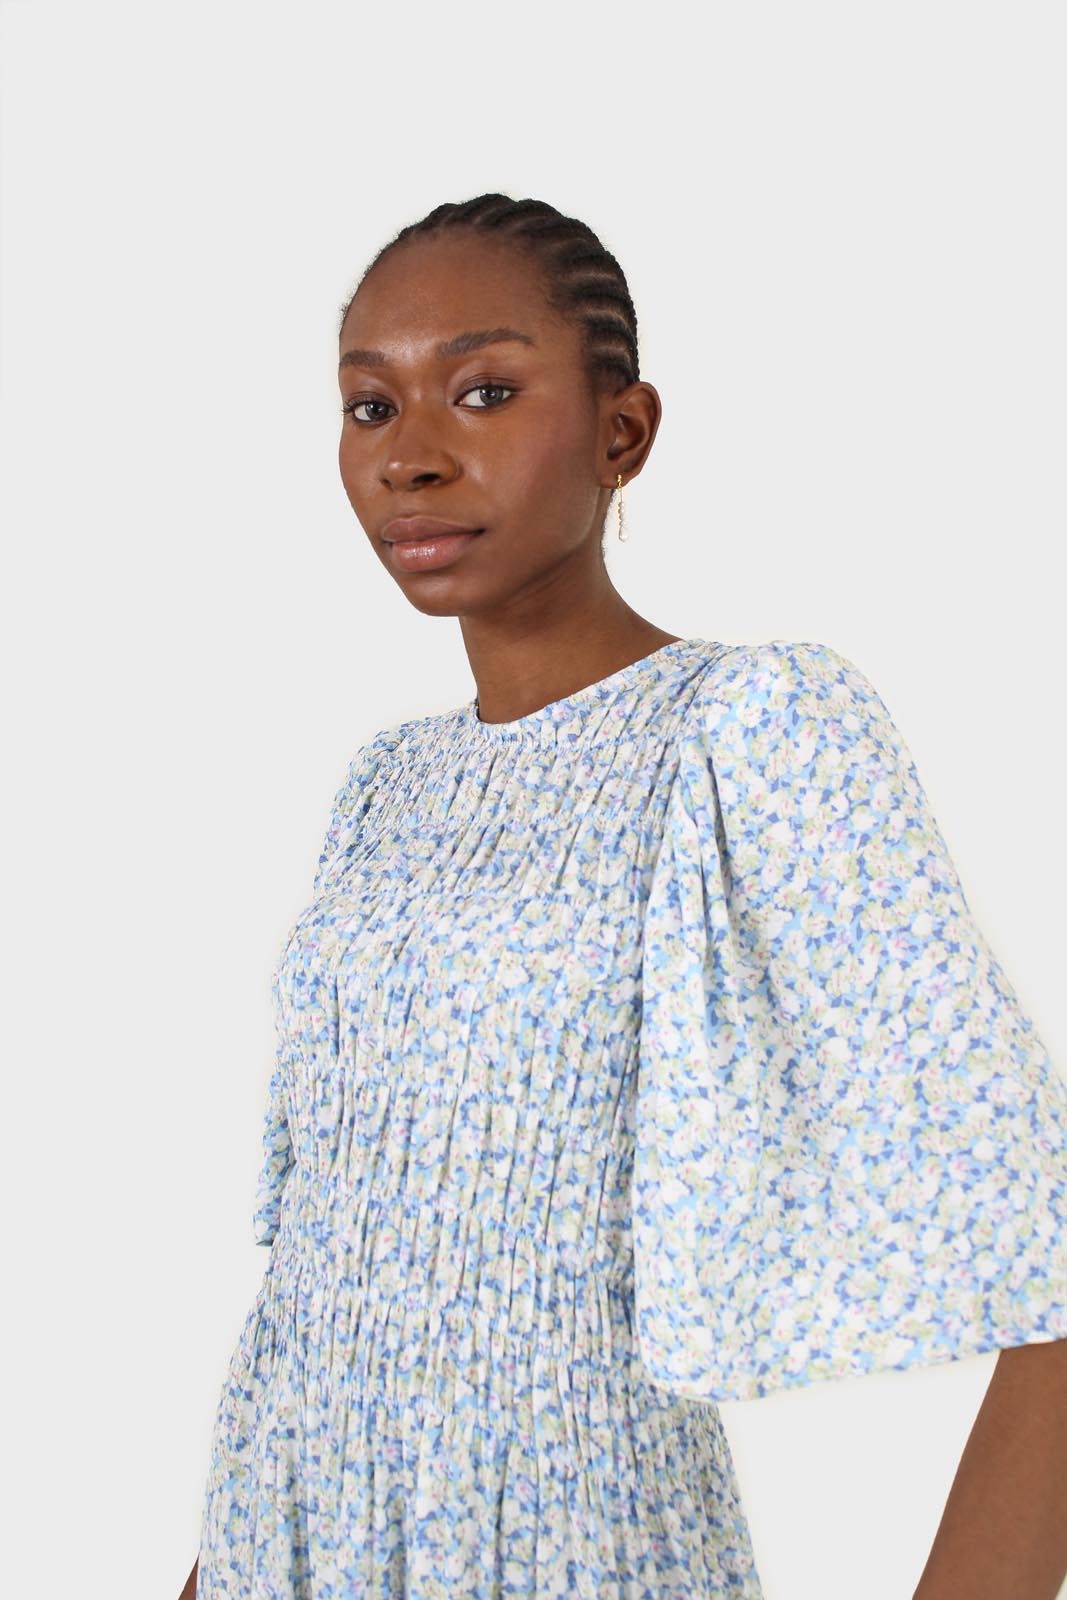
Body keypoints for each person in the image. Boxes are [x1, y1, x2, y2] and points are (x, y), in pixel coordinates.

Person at [182, 193, 1067, 1599]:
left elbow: (1044, 1249)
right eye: (369, 408)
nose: (411, 456)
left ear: (623, 431)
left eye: (483, 391)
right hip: (284, 1530)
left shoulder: (749, 728)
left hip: (572, 1538)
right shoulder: (387, 786)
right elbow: (324, 1280)